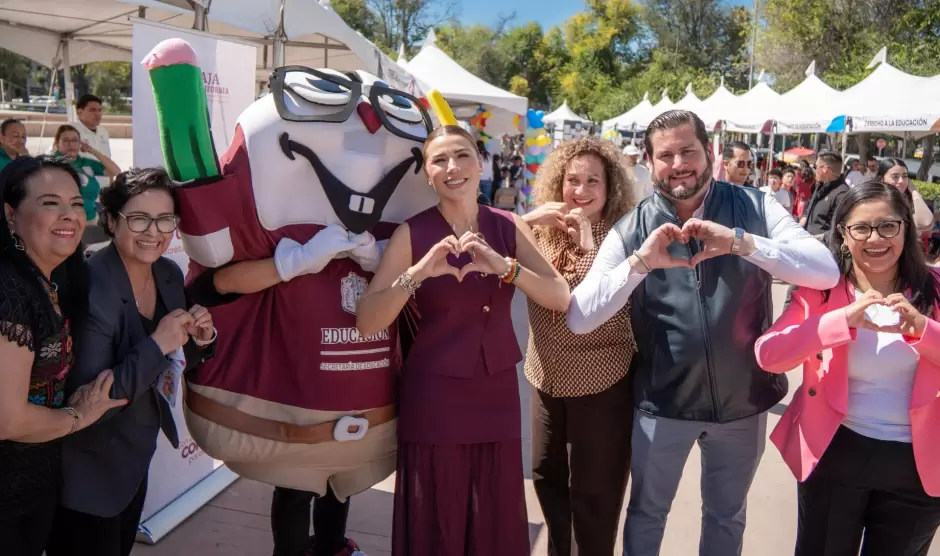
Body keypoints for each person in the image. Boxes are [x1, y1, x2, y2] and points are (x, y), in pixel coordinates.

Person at [566, 110, 840, 556]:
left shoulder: (756, 206)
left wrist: (741, 243)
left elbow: (824, 271)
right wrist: (639, 264)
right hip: (663, 403)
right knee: (647, 514)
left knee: (726, 516)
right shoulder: (631, 228)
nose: (679, 164)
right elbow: (580, 317)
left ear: (708, 153)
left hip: (743, 401)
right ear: (650, 164)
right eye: (666, 155)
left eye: (688, 150)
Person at [356, 124, 569, 556]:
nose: (453, 167)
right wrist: (417, 274)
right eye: (440, 160)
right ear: (428, 174)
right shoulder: (412, 234)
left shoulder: (508, 227)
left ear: (480, 160)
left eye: (462, 155)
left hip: (495, 392)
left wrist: (503, 267)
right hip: (433, 395)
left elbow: (558, 295)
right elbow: (367, 321)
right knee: (438, 512)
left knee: (495, 512)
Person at [754, 182, 940, 556]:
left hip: (920, 464)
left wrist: (924, 330)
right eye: (861, 228)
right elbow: (769, 355)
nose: (876, 239)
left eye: (888, 226)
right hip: (836, 452)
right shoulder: (820, 290)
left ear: (907, 228)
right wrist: (838, 322)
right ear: (842, 234)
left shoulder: (934, 288)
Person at [49, 168, 217, 556]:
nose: (154, 232)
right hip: (86, 467)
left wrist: (203, 339)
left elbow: (178, 360)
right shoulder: (93, 285)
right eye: (139, 218)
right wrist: (158, 343)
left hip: (134, 455)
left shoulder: (169, 274)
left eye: (165, 220)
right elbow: (94, 400)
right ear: (110, 220)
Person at [0, 155, 127, 556]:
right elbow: (9, 419)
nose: (69, 215)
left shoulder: (55, 281)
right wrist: (80, 416)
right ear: (10, 215)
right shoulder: (9, 292)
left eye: (75, 203)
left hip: (36, 479)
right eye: (50, 202)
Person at [523, 137, 637, 555]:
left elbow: (584, 302)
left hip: (603, 382)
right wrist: (531, 218)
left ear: (611, 188)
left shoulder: (623, 236)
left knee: (596, 494)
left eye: (593, 181)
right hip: (546, 377)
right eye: (573, 180)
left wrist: (588, 241)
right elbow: (491, 237)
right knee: (545, 477)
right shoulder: (539, 232)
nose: (581, 190)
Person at [53, 125, 120, 224]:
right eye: (66, 140)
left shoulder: (86, 163)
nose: (71, 144)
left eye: (75, 140)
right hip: (64, 220)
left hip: (90, 218)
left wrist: (93, 151)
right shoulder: (51, 164)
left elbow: (115, 171)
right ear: (57, 144)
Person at [876, 157, 934, 234]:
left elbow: (926, 223)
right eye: (895, 176)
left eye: (904, 176)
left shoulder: (907, 202)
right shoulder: (874, 202)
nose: (901, 181)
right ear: (882, 179)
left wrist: (914, 191)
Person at [801, 151, 850, 239]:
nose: (814, 170)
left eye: (816, 167)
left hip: (824, 248)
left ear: (825, 169)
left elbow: (843, 227)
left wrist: (820, 237)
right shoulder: (819, 185)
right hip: (806, 242)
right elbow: (809, 209)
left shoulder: (842, 194)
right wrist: (804, 218)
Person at [71, 94, 111, 159]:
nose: (98, 114)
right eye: (92, 110)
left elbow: (108, 158)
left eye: (99, 110)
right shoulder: (69, 131)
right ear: (80, 113)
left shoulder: (103, 132)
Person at [477, 139, 494, 204]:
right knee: (487, 199)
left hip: (479, 178)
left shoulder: (477, 155)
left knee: (478, 199)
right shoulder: (489, 155)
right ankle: (489, 212)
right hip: (488, 179)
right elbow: (491, 168)